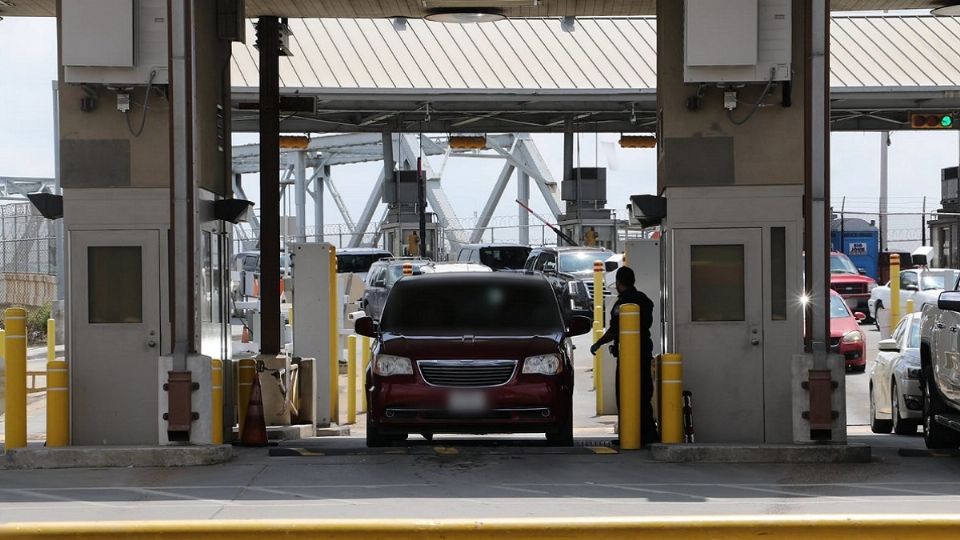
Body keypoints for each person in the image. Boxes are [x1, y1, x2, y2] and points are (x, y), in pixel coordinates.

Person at [589, 266, 659, 446]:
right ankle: (648, 433)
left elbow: (615, 329)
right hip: (644, 352)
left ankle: (629, 434)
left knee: (625, 394)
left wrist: (598, 343)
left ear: (619, 283)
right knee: (644, 393)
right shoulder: (645, 300)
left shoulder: (623, 304)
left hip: (628, 358)